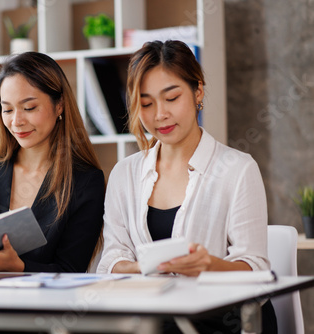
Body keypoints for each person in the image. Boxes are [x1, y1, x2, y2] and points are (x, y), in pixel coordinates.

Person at [96, 40, 277, 333]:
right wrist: (146, 268)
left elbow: (256, 268)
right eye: (146, 103)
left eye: (171, 98)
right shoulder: (124, 174)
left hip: (224, 318)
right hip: (155, 316)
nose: (159, 115)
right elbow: (111, 263)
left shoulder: (238, 169)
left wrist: (210, 265)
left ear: (198, 92)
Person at [0, 51, 104, 275]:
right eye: (7, 109)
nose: (16, 121)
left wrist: (17, 267)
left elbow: (71, 270)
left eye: (29, 108)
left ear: (59, 106)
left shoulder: (85, 182)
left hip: (39, 306)